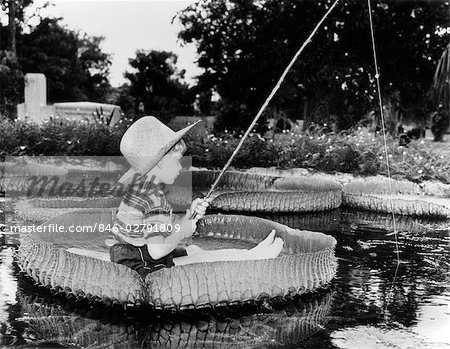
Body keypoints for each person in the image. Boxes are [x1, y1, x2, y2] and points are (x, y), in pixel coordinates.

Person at [109, 116, 283, 279]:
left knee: (194, 250)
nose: (180, 166)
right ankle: (254, 258)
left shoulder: (141, 189)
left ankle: (251, 253)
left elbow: (153, 231)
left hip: (128, 255)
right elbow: (157, 251)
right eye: (177, 160)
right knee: (202, 260)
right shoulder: (154, 198)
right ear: (159, 162)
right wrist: (182, 231)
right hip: (142, 265)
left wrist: (188, 216)